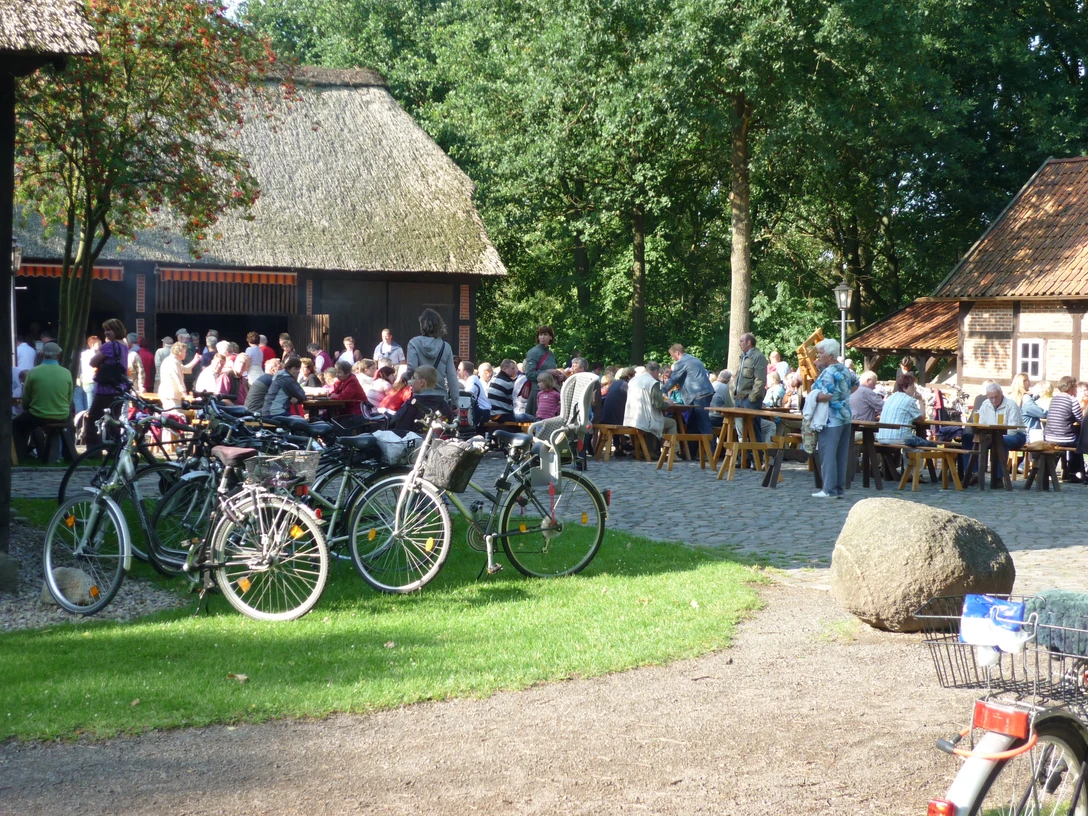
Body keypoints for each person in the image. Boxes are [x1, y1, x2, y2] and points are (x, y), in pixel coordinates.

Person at [809, 338, 859, 499]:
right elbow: (856, 384)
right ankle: (838, 488)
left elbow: (826, 395)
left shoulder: (828, 372)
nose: (818, 356)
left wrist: (813, 397)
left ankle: (828, 489)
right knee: (841, 454)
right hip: (845, 416)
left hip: (830, 418)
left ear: (830, 355)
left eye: (821, 353)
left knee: (828, 454)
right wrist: (843, 396)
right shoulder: (844, 369)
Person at [13, 342, 74, 461]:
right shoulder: (66, 373)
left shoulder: (33, 372)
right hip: (62, 415)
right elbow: (69, 399)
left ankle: (20, 456)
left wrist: (28, 407)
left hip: (38, 415)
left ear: (43, 355)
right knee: (68, 423)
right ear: (58, 356)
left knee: (16, 425)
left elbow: (26, 400)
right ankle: (67, 456)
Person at [961, 382, 1027, 485]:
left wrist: (993, 437)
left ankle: (998, 477)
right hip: (992, 435)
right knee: (967, 438)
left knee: (1000, 441)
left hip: (1016, 435)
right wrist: (986, 435)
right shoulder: (986, 404)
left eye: (996, 397)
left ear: (1001, 393)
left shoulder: (1011, 405)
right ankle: (973, 473)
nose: (993, 400)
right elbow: (981, 424)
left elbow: (1012, 430)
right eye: (991, 398)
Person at [86, 319, 131, 448]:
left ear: (116, 330)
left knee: (94, 420)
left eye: (109, 330)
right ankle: (114, 450)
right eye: (105, 330)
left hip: (105, 389)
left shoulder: (109, 346)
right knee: (113, 422)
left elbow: (92, 362)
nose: (106, 333)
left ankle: (94, 452)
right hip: (119, 388)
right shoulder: (124, 346)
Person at [406, 308, 459, 405]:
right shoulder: (445, 347)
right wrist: (455, 402)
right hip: (440, 399)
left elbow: (412, 368)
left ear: (422, 325)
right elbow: (452, 376)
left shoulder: (414, 343)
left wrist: (404, 378)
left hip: (420, 397)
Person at [623, 361, 677, 456]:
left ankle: (651, 451)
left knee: (653, 417)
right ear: (656, 371)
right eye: (659, 373)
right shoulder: (653, 382)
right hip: (645, 422)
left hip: (630, 419)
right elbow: (658, 405)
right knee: (672, 423)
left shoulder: (633, 380)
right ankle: (673, 453)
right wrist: (668, 403)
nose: (658, 375)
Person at [662, 343, 714, 438]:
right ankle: (691, 452)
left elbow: (673, 379)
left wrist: (661, 391)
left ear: (677, 353)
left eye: (672, 355)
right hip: (705, 393)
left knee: (703, 424)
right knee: (692, 424)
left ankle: (711, 452)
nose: (672, 358)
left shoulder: (681, 362)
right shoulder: (694, 359)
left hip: (698, 395)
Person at [1044, 376, 1083, 481]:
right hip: (1064, 439)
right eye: (1075, 387)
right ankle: (1075, 472)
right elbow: (1081, 420)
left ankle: (1064, 471)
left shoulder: (1054, 399)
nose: (1076, 389)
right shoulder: (1072, 400)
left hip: (1049, 437)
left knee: (1073, 438)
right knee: (1080, 441)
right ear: (1070, 387)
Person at [391, 365, 453, 431]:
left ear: (422, 383)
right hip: (439, 440)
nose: (411, 380)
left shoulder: (411, 404)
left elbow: (398, 427)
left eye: (414, 378)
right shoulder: (444, 404)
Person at [876, 373, 930, 447]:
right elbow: (922, 417)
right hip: (899, 438)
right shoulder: (909, 400)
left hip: (881, 437)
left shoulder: (890, 398)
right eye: (912, 387)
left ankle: (905, 458)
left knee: (914, 441)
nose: (914, 390)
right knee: (930, 444)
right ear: (904, 388)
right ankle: (916, 458)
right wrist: (920, 400)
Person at [733, 333, 768, 442]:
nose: (739, 344)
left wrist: (751, 398)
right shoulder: (742, 357)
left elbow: (760, 380)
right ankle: (744, 457)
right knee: (740, 431)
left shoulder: (758, 357)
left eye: (741, 341)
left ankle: (756, 456)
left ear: (749, 342)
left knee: (753, 429)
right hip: (739, 398)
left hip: (749, 400)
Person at [523, 325, 560, 415]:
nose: (542, 337)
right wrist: (548, 372)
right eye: (540, 335)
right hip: (537, 392)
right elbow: (530, 374)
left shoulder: (550, 353)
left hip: (551, 394)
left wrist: (559, 375)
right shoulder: (533, 352)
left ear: (550, 337)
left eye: (545, 334)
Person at [158, 341, 194, 411]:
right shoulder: (173, 362)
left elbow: (184, 369)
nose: (185, 354)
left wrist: (196, 360)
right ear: (180, 352)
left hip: (169, 395)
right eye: (184, 352)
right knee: (174, 417)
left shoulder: (171, 360)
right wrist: (185, 394)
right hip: (171, 396)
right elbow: (178, 379)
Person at [458, 360, 492, 426]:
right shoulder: (472, 379)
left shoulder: (472, 380)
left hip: (483, 412)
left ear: (465, 372)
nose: (457, 371)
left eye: (459, 370)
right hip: (483, 411)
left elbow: (467, 396)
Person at [79, 335, 100, 413]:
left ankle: (84, 421)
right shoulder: (94, 355)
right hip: (92, 381)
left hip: (85, 381)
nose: (100, 346)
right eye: (99, 344)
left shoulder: (83, 354)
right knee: (91, 407)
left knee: (87, 404)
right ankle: (89, 423)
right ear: (93, 344)